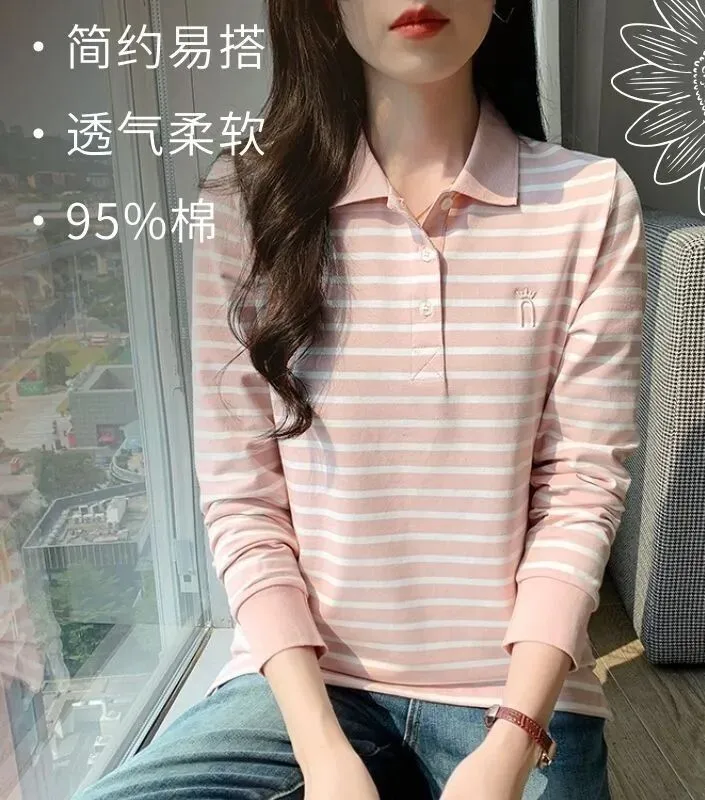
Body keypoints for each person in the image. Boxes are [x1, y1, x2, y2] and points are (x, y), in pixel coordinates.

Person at [77, 1, 645, 798]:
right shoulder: (247, 203)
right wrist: (323, 754)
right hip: (310, 691)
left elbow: (581, 491)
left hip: (517, 699)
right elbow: (244, 501)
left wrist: (512, 743)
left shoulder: (589, 201)